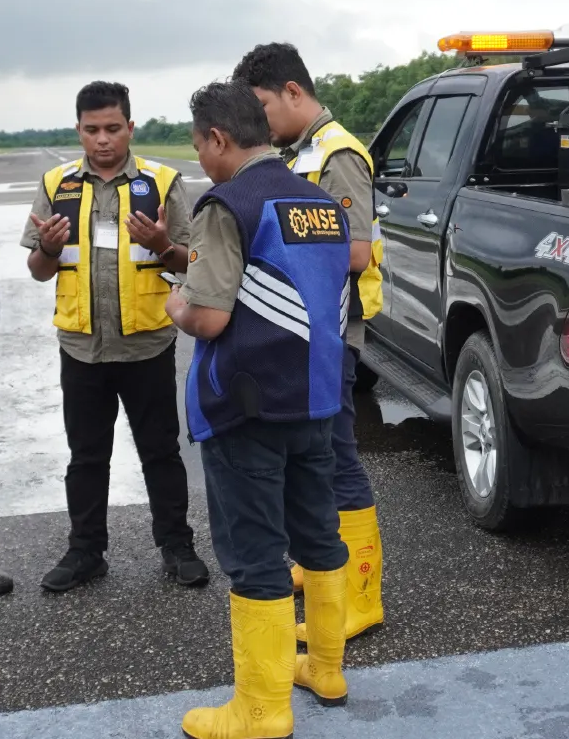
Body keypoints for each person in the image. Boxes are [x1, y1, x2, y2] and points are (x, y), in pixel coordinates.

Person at [169, 79, 353, 738]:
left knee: (254, 555)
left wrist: (175, 304)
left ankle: (261, 709)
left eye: (199, 148)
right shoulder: (318, 201)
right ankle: (324, 669)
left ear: (218, 138)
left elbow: (210, 317)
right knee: (318, 536)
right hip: (317, 400)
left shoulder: (226, 204)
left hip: (247, 410)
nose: (199, 162)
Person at [20, 80, 209, 591]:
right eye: (91, 129)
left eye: (112, 128)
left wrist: (162, 242)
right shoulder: (57, 183)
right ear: (77, 130)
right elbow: (39, 270)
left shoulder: (163, 182)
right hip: (81, 346)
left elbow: (189, 264)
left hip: (146, 344)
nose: (102, 140)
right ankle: (86, 551)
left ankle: (176, 545)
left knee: (161, 451)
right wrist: (49, 249)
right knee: (86, 456)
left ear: (130, 126)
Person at [232, 42, 386, 643]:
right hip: (305, 326)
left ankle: (361, 595)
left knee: (338, 459)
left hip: (331, 330)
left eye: (263, 105)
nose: (260, 121)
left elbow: (353, 250)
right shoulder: (302, 153)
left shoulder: (339, 154)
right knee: (313, 461)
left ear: (293, 92)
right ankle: (325, 570)